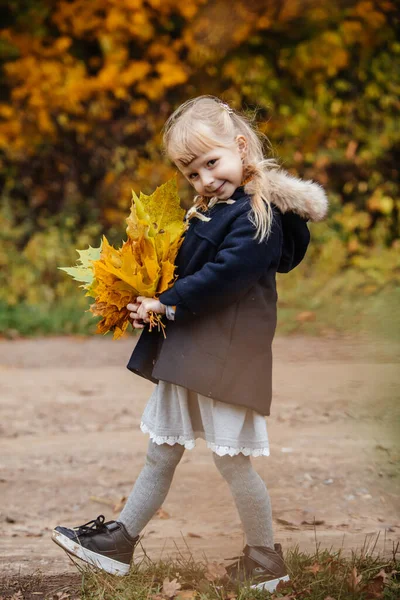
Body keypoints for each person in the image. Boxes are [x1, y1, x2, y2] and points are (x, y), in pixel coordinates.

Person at [52, 96, 328, 592]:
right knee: (161, 451)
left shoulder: (256, 215)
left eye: (211, 163)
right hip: (193, 350)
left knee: (231, 461)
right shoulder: (211, 210)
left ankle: (265, 558)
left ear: (240, 148)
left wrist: (168, 301)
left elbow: (226, 277)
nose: (204, 179)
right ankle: (119, 542)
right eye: (191, 172)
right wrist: (150, 298)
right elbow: (189, 272)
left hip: (226, 355)